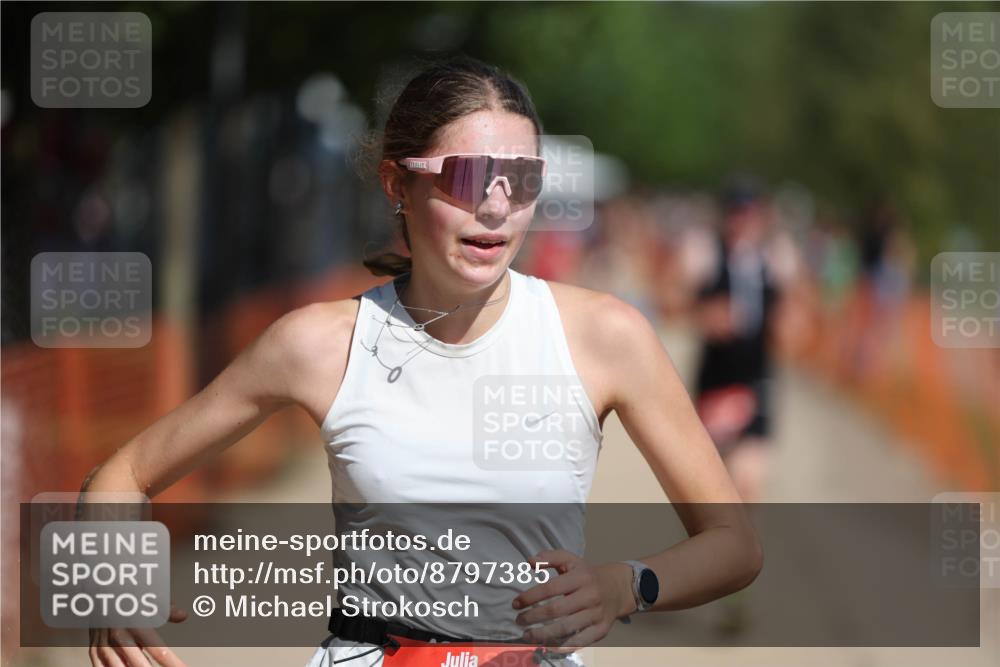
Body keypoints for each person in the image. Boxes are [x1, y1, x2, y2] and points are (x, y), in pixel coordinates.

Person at [82, 56, 761, 667]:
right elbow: (121, 474)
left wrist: (625, 584)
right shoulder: (319, 343)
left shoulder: (604, 335)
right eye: (468, 177)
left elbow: (735, 544)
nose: (497, 206)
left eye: (523, 179)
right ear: (397, 184)